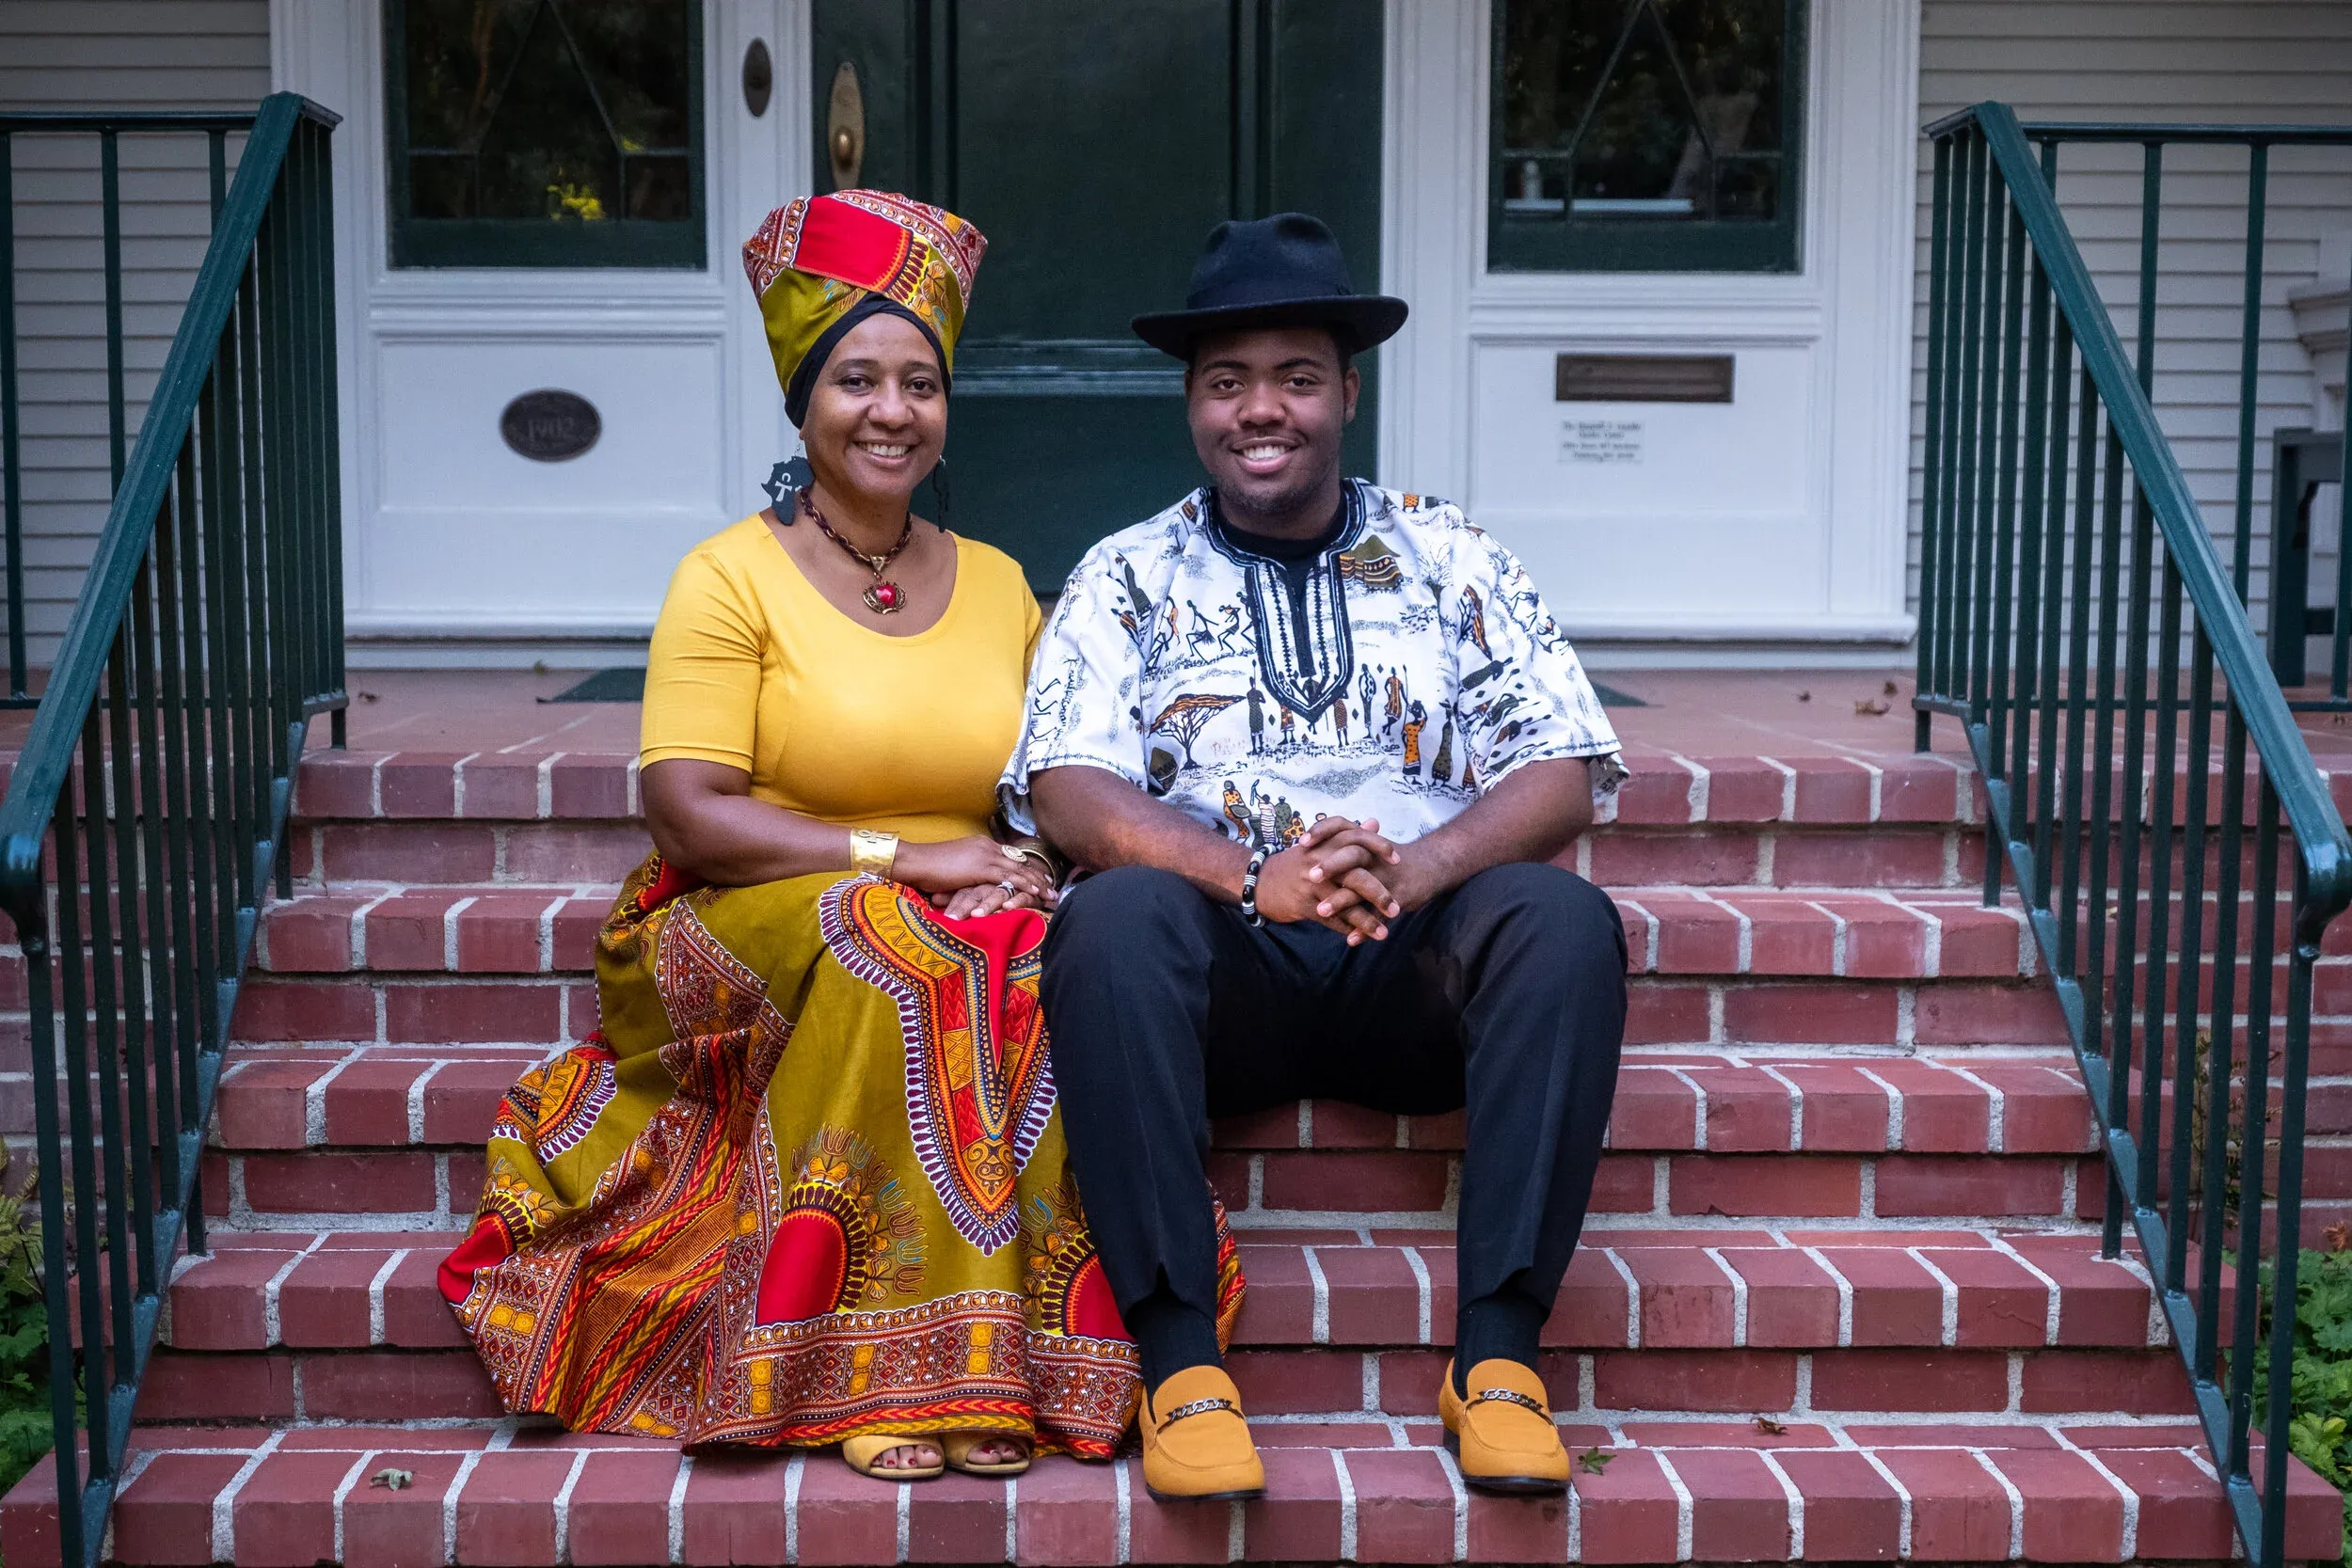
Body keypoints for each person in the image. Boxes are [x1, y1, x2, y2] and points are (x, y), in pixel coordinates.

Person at [439, 190, 1240, 1483]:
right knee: (895, 952)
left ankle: (1007, 1362)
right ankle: (861, 1369)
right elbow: (689, 812)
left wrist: (1020, 874)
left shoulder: (997, 583)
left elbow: (1040, 785)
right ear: (806, 402)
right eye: (857, 378)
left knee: (1038, 959)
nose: (891, 409)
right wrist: (907, 859)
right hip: (746, 902)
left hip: (958, 886)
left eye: (920, 381)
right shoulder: (728, 575)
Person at [1002, 213, 1627, 1502]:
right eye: (1226, 382)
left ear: (1348, 388)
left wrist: (1420, 867)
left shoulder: (1455, 555)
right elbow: (1065, 784)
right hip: (1222, 983)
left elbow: (1564, 764)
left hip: (1413, 971)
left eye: (1293, 375)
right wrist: (1248, 879)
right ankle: (1180, 1367)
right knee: (1110, 919)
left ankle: (1500, 1360)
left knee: (1561, 920)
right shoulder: (1126, 574)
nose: (1259, 410)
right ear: (1193, 405)